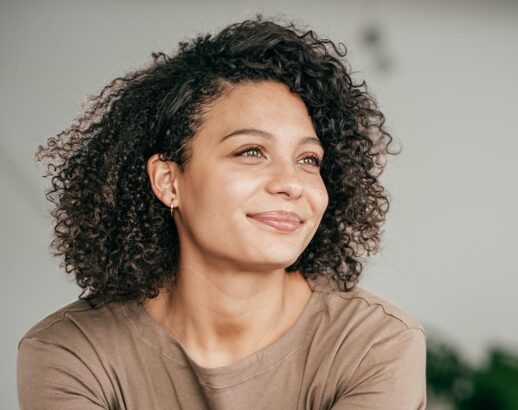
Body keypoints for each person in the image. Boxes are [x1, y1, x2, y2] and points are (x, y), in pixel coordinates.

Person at [16, 16, 426, 410]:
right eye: (250, 151)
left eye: (309, 159)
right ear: (168, 180)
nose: (292, 182)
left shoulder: (374, 344)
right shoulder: (71, 353)